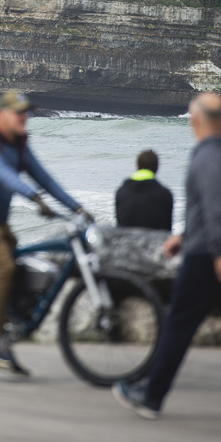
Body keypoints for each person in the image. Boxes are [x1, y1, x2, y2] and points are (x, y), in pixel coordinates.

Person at [0, 90, 92, 376]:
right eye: (19, 113)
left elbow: (45, 178)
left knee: (18, 267)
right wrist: (32, 196)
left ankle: (7, 326)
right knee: (4, 267)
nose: (24, 118)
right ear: (1, 115)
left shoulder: (19, 146)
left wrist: (76, 208)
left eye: (26, 113)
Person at [112, 91, 221, 420]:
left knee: (178, 324)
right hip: (200, 246)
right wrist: (183, 236)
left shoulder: (206, 157)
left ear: (197, 120)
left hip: (205, 257)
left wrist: (214, 252)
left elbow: (216, 210)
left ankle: (151, 395)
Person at [115, 150, 173, 231]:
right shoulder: (165, 194)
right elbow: (167, 231)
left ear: (137, 166)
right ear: (157, 168)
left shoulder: (121, 192)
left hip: (127, 241)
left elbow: (119, 225)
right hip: (154, 242)